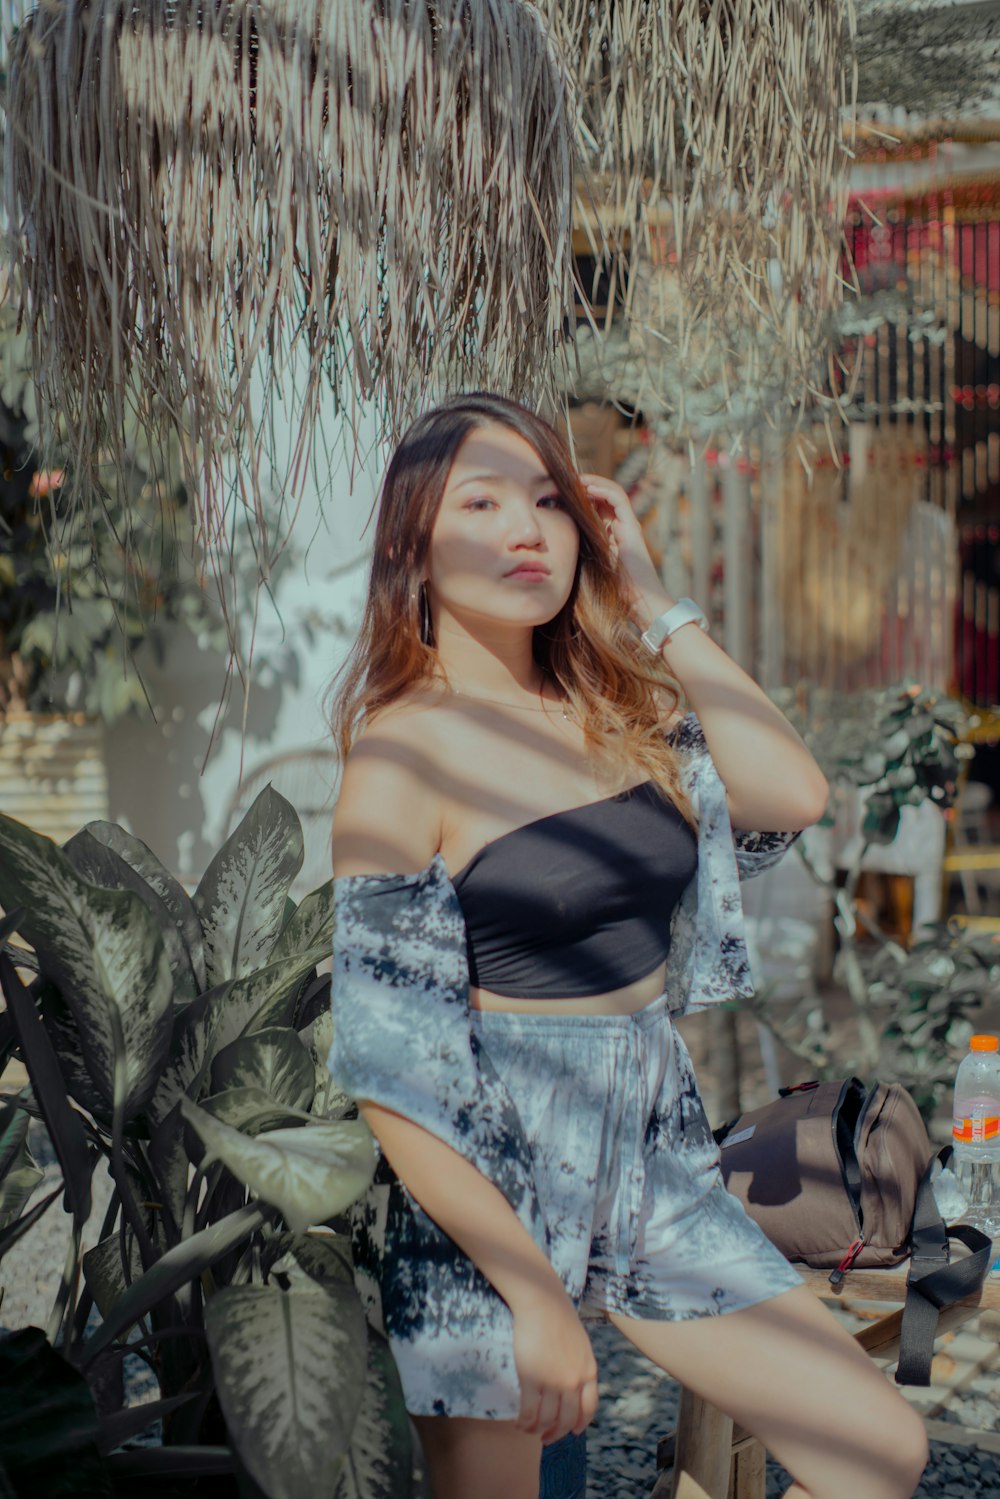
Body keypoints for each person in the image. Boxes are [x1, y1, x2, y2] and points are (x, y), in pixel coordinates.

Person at [327, 393, 929, 1499]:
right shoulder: (400, 756)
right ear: (413, 537)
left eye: (552, 501)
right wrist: (535, 1294)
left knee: (880, 1450)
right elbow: (393, 1077)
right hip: (489, 1175)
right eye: (484, 500)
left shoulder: (616, 710)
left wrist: (650, 597)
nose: (527, 528)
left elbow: (793, 790)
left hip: (655, 1153)